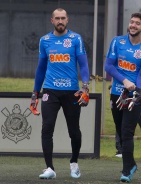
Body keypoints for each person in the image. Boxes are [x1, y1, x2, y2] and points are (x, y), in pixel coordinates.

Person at [29, 8, 90, 179]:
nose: (60, 21)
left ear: (67, 20)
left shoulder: (75, 39)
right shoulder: (45, 40)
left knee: (74, 130)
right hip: (50, 90)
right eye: (57, 18)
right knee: (47, 128)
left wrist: (85, 86)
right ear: (52, 20)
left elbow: (83, 65)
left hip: (72, 91)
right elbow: (41, 69)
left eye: (63, 18)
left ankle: (74, 163)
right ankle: (50, 168)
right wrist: (35, 92)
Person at [104, 13, 141, 182]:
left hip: (134, 97)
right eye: (132, 22)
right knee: (120, 130)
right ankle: (131, 164)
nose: (133, 25)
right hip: (116, 93)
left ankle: (126, 171)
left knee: (127, 132)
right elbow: (108, 66)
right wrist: (124, 80)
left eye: (137, 23)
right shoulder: (117, 42)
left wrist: (139, 91)